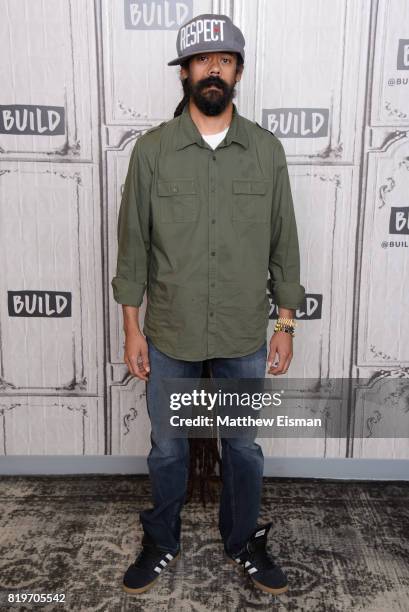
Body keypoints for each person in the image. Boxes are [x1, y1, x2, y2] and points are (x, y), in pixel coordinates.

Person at [111, 13, 305, 597]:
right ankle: (162, 538)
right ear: (185, 73)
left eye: (224, 59)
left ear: (238, 72)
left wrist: (286, 324)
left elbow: (284, 244)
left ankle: (243, 538)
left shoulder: (266, 152)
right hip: (170, 331)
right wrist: (132, 328)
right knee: (168, 446)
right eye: (201, 60)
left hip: (244, 331)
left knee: (242, 446)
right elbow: (133, 248)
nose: (212, 69)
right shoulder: (152, 152)